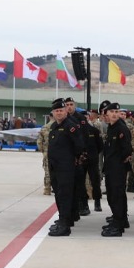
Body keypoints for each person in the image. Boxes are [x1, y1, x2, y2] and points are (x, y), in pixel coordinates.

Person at [47, 99, 85, 236]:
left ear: (65, 111)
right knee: (59, 194)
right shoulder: (54, 127)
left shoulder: (70, 126)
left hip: (66, 167)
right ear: (53, 113)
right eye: (56, 111)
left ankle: (64, 226)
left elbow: (80, 145)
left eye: (61, 110)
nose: (59, 113)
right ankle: (64, 220)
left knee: (65, 195)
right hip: (55, 166)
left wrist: (72, 159)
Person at [101, 103, 133, 237]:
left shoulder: (121, 128)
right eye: (112, 111)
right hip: (111, 167)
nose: (114, 114)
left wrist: (121, 161)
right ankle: (119, 220)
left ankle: (118, 226)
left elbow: (127, 149)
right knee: (114, 196)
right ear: (106, 114)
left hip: (117, 168)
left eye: (117, 111)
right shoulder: (111, 127)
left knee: (117, 196)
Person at [36, 114, 54, 195]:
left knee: (47, 171)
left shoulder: (44, 127)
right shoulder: (59, 126)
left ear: (50, 117)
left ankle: (47, 189)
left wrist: (43, 150)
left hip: (47, 152)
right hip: (59, 153)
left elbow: (39, 142)